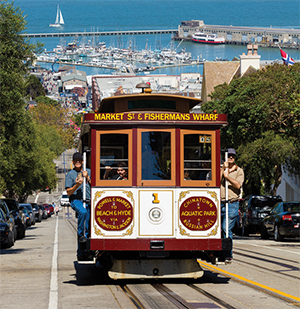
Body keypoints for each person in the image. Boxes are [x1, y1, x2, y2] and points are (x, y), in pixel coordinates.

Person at [65, 152, 91, 259]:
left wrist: (87, 177)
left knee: (88, 226)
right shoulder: (70, 174)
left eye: (79, 160)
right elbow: (68, 192)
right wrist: (77, 185)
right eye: (75, 161)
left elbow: (95, 185)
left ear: (82, 161)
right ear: (73, 162)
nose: (77, 162)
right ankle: (80, 235)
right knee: (83, 212)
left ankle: (84, 252)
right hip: (76, 200)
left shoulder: (88, 171)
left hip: (88, 200)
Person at [220, 148, 244, 261]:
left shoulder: (239, 171)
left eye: (233, 156)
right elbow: (215, 180)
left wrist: (227, 176)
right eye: (229, 155)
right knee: (218, 230)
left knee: (226, 228)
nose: (230, 158)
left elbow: (238, 185)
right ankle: (219, 251)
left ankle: (227, 254)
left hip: (232, 204)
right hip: (219, 203)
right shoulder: (221, 168)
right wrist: (223, 169)